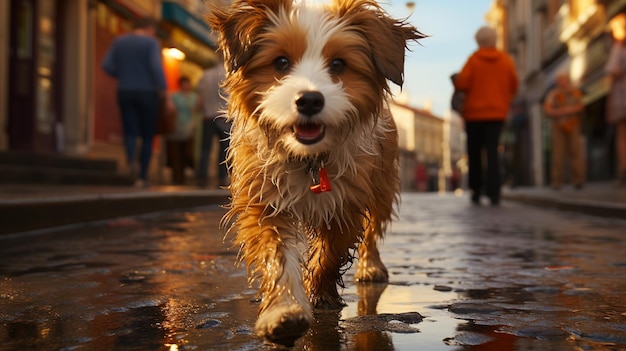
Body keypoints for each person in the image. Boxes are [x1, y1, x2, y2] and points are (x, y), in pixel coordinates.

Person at [454, 26, 519, 205]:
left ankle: (476, 190)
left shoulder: (473, 61)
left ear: (478, 41)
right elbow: (514, 84)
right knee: (493, 152)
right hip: (497, 113)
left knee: (474, 153)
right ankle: (494, 192)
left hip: (474, 114)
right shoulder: (506, 60)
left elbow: (462, 83)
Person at [102, 17, 167, 188]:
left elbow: (106, 65)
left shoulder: (119, 42)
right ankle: (142, 177)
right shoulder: (151, 43)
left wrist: (123, 75)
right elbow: (155, 67)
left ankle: (131, 162)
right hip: (147, 93)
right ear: (149, 28)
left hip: (125, 90)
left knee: (130, 131)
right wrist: (163, 88)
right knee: (147, 136)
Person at [543, 72, 585, 190]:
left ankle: (578, 180)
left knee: (575, 152)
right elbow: (547, 109)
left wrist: (568, 110)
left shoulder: (575, 93)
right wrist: (561, 112)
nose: (563, 82)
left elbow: (580, 106)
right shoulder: (553, 94)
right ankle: (557, 181)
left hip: (573, 125)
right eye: (560, 80)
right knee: (558, 154)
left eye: (564, 80)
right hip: (558, 126)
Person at [196, 54, 231, 187]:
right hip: (225, 115)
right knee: (224, 149)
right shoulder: (229, 74)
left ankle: (202, 176)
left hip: (208, 115)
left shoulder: (206, 74)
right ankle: (221, 177)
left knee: (205, 148)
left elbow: (201, 97)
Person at [166, 76, 201, 185]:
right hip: (176, 127)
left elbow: (197, 108)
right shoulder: (175, 96)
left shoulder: (194, 97)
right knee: (176, 153)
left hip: (189, 127)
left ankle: (187, 170)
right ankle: (177, 177)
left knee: (188, 152)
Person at [606, 13, 626, 186]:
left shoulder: (619, 48)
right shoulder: (618, 48)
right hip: (621, 96)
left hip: (622, 95)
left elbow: (613, 72)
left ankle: (623, 169)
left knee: (622, 133)